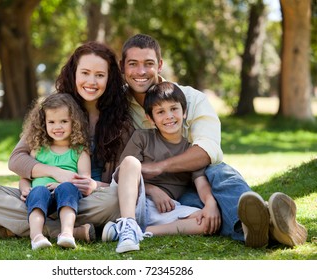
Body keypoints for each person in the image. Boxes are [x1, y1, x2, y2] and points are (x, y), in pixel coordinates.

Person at [116, 33, 307, 248]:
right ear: (122, 66)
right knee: (205, 212)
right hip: (171, 192)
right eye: (133, 64)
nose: (141, 72)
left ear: (160, 65)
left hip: (201, 174)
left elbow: (206, 152)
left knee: (220, 173)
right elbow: (122, 167)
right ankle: (270, 226)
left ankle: (256, 227)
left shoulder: (191, 99)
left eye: (148, 63)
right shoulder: (118, 105)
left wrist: (157, 168)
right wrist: (153, 187)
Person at [0, 41, 133, 242]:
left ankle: (27, 227)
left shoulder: (120, 121)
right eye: (85, 73)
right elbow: (17, 159)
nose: (91, 81)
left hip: (84, 200)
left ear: (109, 78)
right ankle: (69, 230)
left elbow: (120, 182)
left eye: (99, 75)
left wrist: (94, 186)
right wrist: (56, 174)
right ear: (74, 73)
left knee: (116, 201)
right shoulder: (54, 108)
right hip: (40, 195)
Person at [102, 82, 221, 253]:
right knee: (130, 162)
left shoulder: (189, 151)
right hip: (134, 199)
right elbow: (123, 173)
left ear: (184, 112)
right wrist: (152, 190)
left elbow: (201, 182)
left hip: (165, 209)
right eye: (160, 112)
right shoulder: (142, 137)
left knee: (204, 221)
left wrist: (210, 203)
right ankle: (128, 225)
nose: (169, 116)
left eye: (174, 109)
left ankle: (141, 232)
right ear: (151, 119)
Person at [19, 94, 91, 250]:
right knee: (38, 192)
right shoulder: (38, 150)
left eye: (64, 121)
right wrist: (24, 188)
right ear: (43, 124)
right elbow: (25, 177)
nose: (57, 127)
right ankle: (36, 236)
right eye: (51, 122)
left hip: (67, 197)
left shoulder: (79, 152)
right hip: (39, 195)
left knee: (67, 188)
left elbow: (84, 180)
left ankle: (66, 233)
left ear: (74, 122)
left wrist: (61, 183)